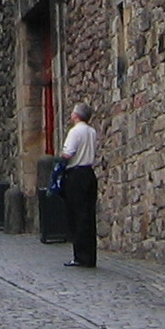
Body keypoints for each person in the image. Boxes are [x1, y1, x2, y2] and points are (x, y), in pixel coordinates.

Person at [60, 102, 100, 267]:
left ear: (76, 115)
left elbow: (68, 154)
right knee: (88, 215)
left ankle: (80, 255)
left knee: (77, 215)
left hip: (76, 174)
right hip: (89, 173)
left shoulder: (75, 132)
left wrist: (61, 157)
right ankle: (90, 255)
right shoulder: (92, 132)